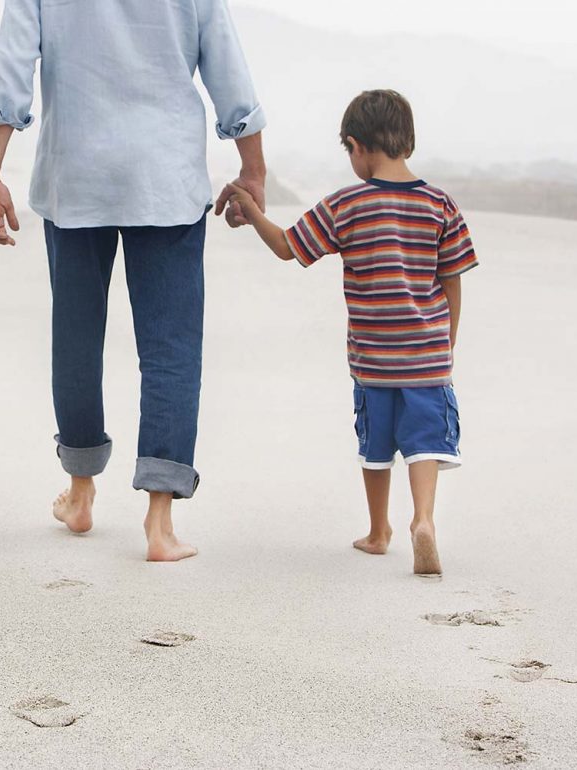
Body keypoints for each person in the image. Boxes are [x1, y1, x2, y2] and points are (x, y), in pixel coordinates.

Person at [0, 0, 267, 561]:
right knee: (172, 348)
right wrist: (252, 167)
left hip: (76, 177)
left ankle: (81, 491)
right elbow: (228, 68)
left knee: (77, 338)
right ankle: (160, 522)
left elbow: (10, 72)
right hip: (166, 178)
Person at [219, 90, 478, 575]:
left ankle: (379, 531)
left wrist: (250, 209)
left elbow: (288, 247)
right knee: (425, 442)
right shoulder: (440, 205)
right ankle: (423, 519)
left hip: (373, 359)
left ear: (357, 147)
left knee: (376, 446)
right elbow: (453, 277)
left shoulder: (347, 204)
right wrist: (449, 338)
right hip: (427, 357)